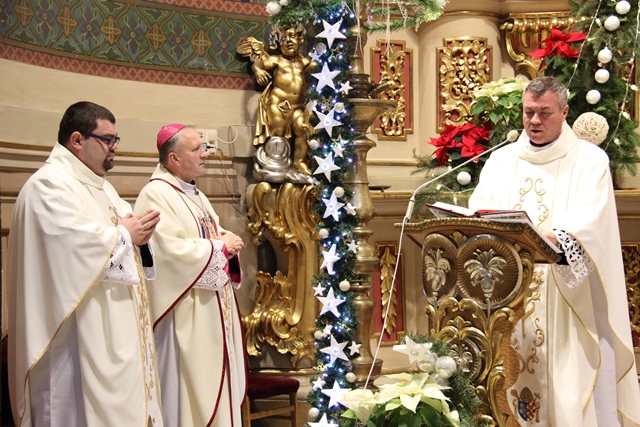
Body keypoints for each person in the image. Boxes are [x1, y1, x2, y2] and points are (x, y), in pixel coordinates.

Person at [469, 76, 640, 426]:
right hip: (509, 292)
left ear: (564, 112)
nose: (534, 121)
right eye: (528, 112)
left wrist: (554, 236)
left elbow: (591, 220)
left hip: (565, 294)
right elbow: (480, 211)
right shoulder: (501, 160)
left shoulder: (589, 160)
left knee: (565, 384)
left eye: (544, 113)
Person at [6, 101, 163, 426]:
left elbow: (123, 236)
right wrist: (124, 235)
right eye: (108, 139)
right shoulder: (48, 186)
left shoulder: (104, 188)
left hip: (113, 336)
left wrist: (140, 236)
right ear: (77, 140)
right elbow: (70, 250)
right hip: (72, 344)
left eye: (115, 139)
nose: (115, 147)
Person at [133, 124, 247, 427]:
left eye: (203, 147)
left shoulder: (194, 193)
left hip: (209, 311)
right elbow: (166, 252)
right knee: (185, 396)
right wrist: (219, 247)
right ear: (173, 158)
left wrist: (227, 241)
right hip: (182, 316)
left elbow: (208, 234)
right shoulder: (156, 194)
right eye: (196, 149)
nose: (204, 154)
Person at [237, 26, 314, 183]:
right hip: (277, 104)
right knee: (278, 134)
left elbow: (322, 67)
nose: (288, 41)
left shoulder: (305, 63)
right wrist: (258, 71)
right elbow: (259, 65)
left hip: (298, 107)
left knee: (303, 129)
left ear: (300, 40)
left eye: (292, 36)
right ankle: (276, 168)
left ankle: (299, 163)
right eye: (284, 38)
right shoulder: (276, 60)